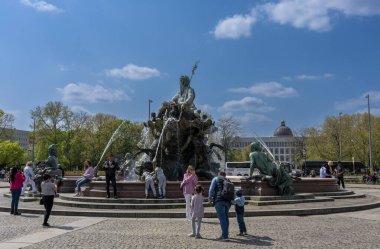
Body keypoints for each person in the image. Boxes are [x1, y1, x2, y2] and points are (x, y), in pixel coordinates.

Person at [208, 171, 231, 241]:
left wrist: (210, 198)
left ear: (219, 174)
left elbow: (211, 190)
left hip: (219, 200)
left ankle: (225, 236)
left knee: (222, 218)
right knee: (226, 218)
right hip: (228, 201)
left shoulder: (215, 179)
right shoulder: (228, 180)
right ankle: (225, 234)